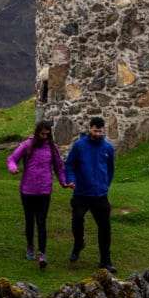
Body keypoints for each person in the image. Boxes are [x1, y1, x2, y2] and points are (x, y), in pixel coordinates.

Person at [7, 121, 71, 269]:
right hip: (27, 190)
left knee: (41, 221)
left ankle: (42, 253)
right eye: (42, 134)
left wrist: (64, 182)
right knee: (29, 220)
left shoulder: (52, 147)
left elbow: (59, 167)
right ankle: (30, 246)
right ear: (37, 132)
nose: (44, 137)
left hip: (44, 190)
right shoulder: (27, 145)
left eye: (47, 134)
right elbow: (12, 159)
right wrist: (13, 168)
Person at [64, 114, 117, 273]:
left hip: (100, 195)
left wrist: (105, 186)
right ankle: (78, 243)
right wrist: (71, 179)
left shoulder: (108, 148)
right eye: (95, 131)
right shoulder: (79, 146)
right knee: (77, 219)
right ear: (89, 129)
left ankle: (105, 260)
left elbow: (110, 169)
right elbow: (69, 165)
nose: (97, 134)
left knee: (105, 227)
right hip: (81, 193)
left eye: (100, 132)